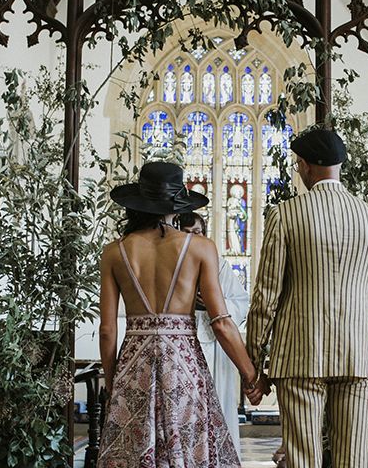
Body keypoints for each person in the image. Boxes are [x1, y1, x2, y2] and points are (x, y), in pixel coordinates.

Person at [246, 128, 368, 468]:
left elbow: (266, 295)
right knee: (352, 460)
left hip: (299, 353)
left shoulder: (285, 215)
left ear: (304, 166)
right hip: (359, 357)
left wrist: (254, 363)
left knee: (302, 459)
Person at [97, 161, 264, 467]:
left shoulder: (113, 252)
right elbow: (222, 323)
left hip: (135, 364)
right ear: (177, 204)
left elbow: (107, 330)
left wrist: (113, 385)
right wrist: (251, 375)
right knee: (188, 448)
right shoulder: (200, 248)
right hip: (183, 364)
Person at [177, 211, 250, 459]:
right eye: (186, 234)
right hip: (183, 340)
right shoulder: (170, 263)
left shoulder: (217, 264)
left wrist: (214, 304)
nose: (191, 240)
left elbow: (241, 302)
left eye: (196, 234)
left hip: (215, 343)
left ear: (205, 235)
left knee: (216, 409)